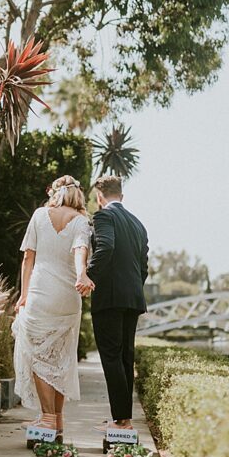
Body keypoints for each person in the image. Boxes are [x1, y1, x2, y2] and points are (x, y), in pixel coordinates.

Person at [13, 175, 94, 439]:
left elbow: (28, 257)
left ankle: (46, 418)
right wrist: (81, 275)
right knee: (61, 358)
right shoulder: (82, 221)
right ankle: (57, 421)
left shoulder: (39, 215)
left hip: (41, 293)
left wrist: (24, 295)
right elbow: (80, 249)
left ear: (55, 193)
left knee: (37, 354)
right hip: (68, 296)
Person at [83, 175, 149, 431]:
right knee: (124, 359)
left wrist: (88, 276)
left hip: (109, 297)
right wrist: (132, 288)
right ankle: (125, 420)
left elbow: (106, 246)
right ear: (121, 195)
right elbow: (143, 267)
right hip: (132, 297)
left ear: (99, 197)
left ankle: (122, 421)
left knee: (111, 358)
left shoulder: (102, 217)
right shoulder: (138, 224)